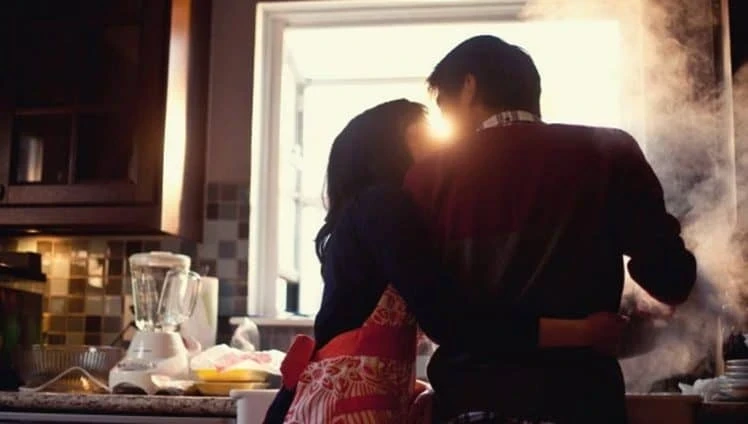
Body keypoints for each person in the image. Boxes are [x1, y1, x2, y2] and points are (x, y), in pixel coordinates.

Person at [263, 99, 630, 424]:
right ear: (389, 147)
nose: (443, 147)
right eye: (424, 135)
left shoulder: (366, 213)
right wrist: (584, 332)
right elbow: (452, 319)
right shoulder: (383, 206)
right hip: (342, 405)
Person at [404, 35, 698, 423]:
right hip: (580, 399)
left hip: (470, 399)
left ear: (469, 87)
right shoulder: (608, 151)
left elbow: (440, 315)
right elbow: (671, 279)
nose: (446, 120)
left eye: (444, 104)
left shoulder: (427, 178)